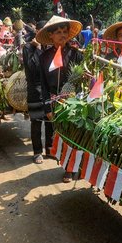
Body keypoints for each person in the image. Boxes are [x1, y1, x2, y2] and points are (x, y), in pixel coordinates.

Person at [36, 15, 83, 182]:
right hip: (55, 102)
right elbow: (42, 83)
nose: (62, 35)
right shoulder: (44, 57)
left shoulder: (77, 54)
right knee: (62, 136)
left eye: (65, 32)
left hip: (75, 101)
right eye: (58, 32)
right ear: (51, 35)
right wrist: (47, 107)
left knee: (76, 134)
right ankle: (68, 168)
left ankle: (76, 167)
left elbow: (83, 80)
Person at [22, 20, 49, 164]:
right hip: (35, 89)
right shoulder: (28, 48)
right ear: (37, 31)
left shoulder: (50, 46)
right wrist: (37, 48)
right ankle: (37, 152)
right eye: (41, 29)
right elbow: (34, 68)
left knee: (50, 121)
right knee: (37, 121)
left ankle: (50, 148)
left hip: (49, 89)